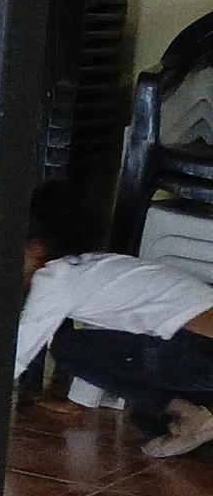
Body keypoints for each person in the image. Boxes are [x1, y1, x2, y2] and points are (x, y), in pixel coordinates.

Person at [16, 181, 213, 458]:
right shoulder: (93, 268)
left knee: (67, 346)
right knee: (147, 420)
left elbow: (20, 351)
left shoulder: (54, 280)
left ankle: (191, 415)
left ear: (36, 248)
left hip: (200, 349)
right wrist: (79, 403)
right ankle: (201, 418)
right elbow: (108, 337)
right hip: (199, 352)